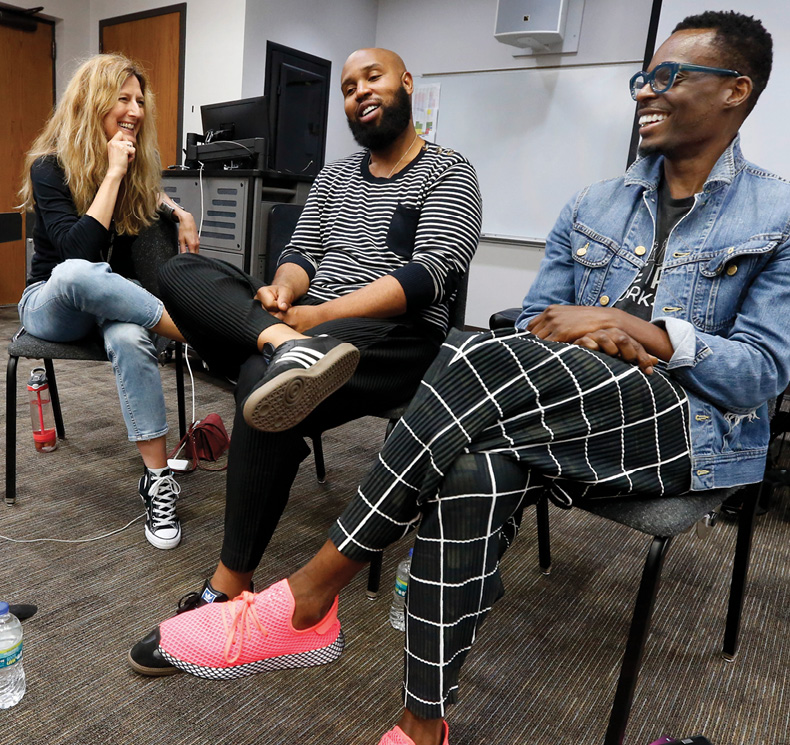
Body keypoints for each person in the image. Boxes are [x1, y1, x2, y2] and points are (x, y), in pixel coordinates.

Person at [139, 12, 788, 744]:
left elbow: (762, 373)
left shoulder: (778, 213)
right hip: (556, 403)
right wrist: (291, 297)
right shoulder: (594, 204)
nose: (645, 92)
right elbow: (536, 322)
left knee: (472, 352)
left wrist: (642, 331)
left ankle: (311, 593)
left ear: (735, 89)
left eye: (668, 77)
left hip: (689, 425)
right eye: (644, 77)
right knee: (473, 466)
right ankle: (422, 725)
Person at [127, 48, 482, 672]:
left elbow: (429, 277)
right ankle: (278, 345)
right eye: (347, 87)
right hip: (305, 329)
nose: (359, 92)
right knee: (182, 271)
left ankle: (229, 582)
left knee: (257, 377)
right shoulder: (335, 177)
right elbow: (299, 256)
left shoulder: (449, 170)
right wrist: (284, 294)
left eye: (372, 77)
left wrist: (318, 317)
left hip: (394, 338)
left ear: (405, 82)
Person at [17, 54, 199, 550]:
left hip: (109, 306)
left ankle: (157, 481)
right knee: (76, 272)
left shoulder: (136, 170)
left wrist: (178, 210)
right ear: (92, 102)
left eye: (140, 100)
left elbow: (152, 199)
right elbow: (76, 252)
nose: (135, 110)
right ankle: (196, 333)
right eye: (123, 99)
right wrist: (113, 175)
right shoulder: (49, 166)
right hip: (51, 303)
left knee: (129, 334)